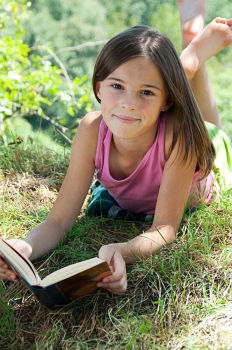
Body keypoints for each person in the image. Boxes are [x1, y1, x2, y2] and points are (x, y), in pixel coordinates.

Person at [1, 18, 232, 296]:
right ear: (99, 87)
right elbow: (59, 220)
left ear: (165, 102)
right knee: (158, 80)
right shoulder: (91, 129)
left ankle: (193, 57)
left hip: (203, 161)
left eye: (146, 93)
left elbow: (164, 228)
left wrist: (122, 250)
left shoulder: (179, 137)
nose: (128, 103)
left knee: (210, 129)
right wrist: (24, 247)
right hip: (156, 122)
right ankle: (188, 61)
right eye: (116, 86)